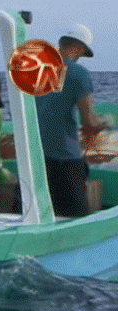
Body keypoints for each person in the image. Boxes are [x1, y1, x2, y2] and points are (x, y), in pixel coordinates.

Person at [36, 24, 112, 217]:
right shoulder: (79, 73)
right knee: (76, 217)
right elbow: (90, 123)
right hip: (65, 159)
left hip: (37, 157)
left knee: (43, 213)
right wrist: (107, 120)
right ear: (79, 48)